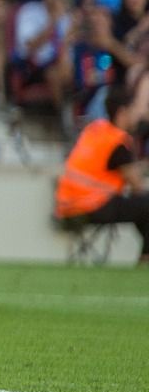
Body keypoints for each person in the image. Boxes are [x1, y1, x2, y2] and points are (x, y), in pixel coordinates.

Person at [53, 84, 149, 265]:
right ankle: (146, 258)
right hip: (93, 205)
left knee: (142, 208)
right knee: (146, 204)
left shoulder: (94, 131)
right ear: (122, 112)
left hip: (66, 206)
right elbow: (137, 185)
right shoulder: (117, 141)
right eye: (134, 109)